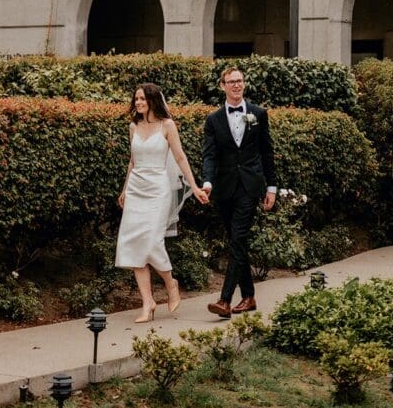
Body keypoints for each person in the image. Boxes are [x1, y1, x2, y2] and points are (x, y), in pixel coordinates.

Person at [116, 83, 209, 322]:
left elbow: (179, 156)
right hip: (136, 188)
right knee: (134, 245)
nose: (138, 103)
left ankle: (171, 283)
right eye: (136, 99)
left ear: (153, 101)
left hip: (158, 189)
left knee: (152, 242)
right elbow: (132, 161)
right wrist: (125, 189)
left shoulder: (167, 125)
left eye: (142, 99)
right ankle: (148, 303)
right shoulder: (133, 126)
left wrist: (195, 186)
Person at [202, 66, 276, 318]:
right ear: (222, 86)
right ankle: (249, 296)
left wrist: (272, 187)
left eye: (240, 81)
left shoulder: (258, 114)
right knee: (238, 242)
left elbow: (267, 153)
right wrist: (208, 182)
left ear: (244, 84)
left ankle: (224, 300)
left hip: (249, 186)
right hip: (223, 189)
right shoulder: (213, 120)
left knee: (237, 239)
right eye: (231, 81)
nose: (236, 85)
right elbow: (210, 155)